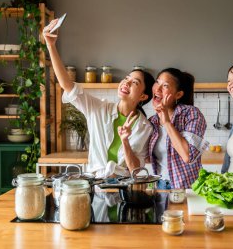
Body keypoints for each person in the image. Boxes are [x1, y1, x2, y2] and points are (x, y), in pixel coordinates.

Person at [43, 19, 154, 178]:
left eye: (134, 82)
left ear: (143, 96)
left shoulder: (144, 127)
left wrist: (125, 141)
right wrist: (51, 46)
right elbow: (67, 85)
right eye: (127, 78)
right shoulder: (98, 108)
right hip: (96, 186)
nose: (126, 82)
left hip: (123, 187)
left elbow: (135, 170)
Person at [148, 68, 209, 189]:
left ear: (178, 94)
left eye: (165, 85)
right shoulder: (152, 121)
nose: (158, 89)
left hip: (186, 188)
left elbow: (188, 156)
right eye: (157, 82)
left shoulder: (191, 114)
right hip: (160, 186)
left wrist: (166, 122)